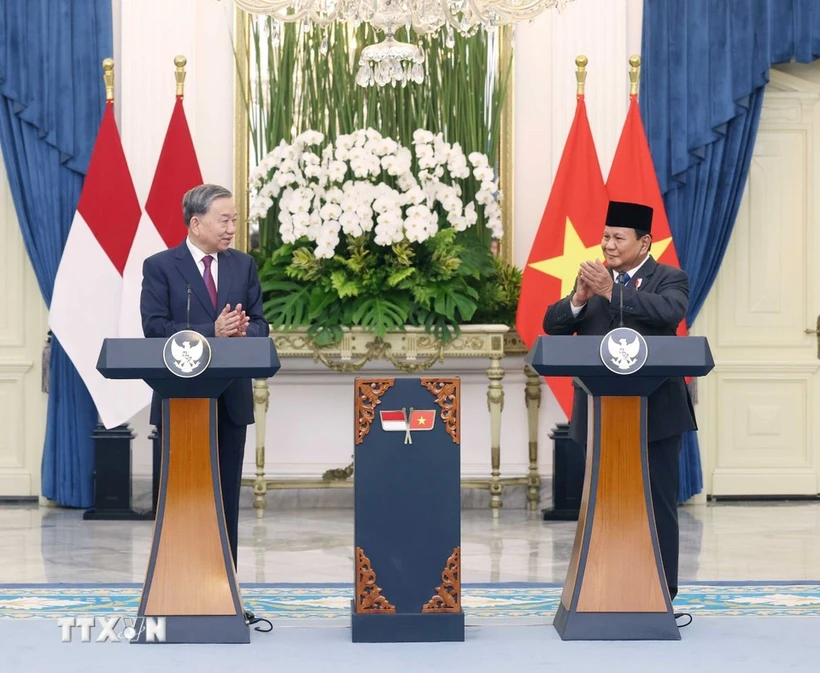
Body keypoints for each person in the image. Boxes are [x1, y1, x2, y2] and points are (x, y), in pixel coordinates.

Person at [542, 199, 696, 616]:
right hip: (600, 415)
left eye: (617, 238)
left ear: (644, 242)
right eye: (605, 236)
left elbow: (670, 314)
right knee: (601, 503)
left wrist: (613, 292)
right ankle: (600, 588)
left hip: (657, 416)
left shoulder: (669, 277)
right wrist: (578, 296)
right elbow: (552, 325)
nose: (607, 245)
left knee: (657, 502)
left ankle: (663, 593)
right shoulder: (593, 278)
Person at [140, 183, 269, 578]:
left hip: (230, 400)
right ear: (196, 223)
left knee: (225, 497)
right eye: (224, 220)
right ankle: (175, 582)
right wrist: (209, 330)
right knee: (179, 498)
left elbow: (261, 326)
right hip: (181, 403)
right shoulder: (160, 266)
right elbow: (155, 329)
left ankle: (224, 585)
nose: (232, 228)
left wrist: (243, 330)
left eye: (234, 220)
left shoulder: (242, 265)